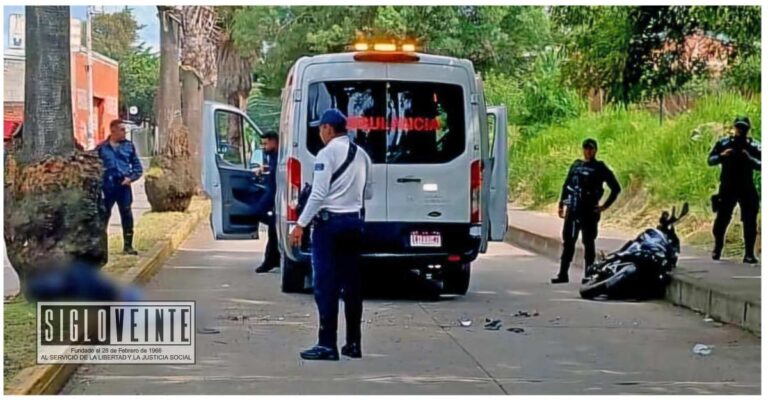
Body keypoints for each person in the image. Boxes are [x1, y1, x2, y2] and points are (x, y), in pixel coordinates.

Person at [290, 108, 372, 361]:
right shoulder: (362, 155)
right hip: (354, 223)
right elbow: (368, 192)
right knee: (352, 286)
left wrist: (300, 224)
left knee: (326, 285)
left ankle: (327, 344)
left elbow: (318, 194)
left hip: (329, 226)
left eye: (320, 128)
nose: (320, 133)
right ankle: (353, 343)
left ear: (327, 128)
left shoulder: (326, 154)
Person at [552, 138, 621, 284]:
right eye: (586, 148)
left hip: (589, 211)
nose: (588, 151)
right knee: (568, 242)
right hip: (573, 209)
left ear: (595, 150)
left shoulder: (599, 167)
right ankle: (563, 274)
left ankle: (589, 275)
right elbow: (567, 186)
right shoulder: (576, 165)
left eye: (591, 149)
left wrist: (604, 206)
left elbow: (615, 188)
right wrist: (561, 204)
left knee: (588, 243)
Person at [708, 116, 761, 264]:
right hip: (728, 187)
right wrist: (722, 156)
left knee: (750, 221)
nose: (740, 131)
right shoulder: (725, 143)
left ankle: (749, 253)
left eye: (743, 128)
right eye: (739, 127)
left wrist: (749, 158)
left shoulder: (753, 146)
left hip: (746, 186)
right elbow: (710, 160)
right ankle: (718, 247)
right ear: (735, 128)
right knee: (722, 220)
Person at [96, 119, 143, 255]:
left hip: (123, 186)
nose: (124, 132)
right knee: (103, 216)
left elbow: (137, 167)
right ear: (113, 130)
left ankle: (128, 246)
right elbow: (94, 166)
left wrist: (131, 178)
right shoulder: (101, 148)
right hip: (107, 187)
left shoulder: (128, 146)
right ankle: (100, 248)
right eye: (122, 130)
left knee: (126, 214)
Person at [254, 131, 281, 273]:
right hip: (272, 194)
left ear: (274, 142)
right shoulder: (272, 156)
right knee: (272, 229)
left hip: (276, 195)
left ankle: (271, 260)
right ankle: (272, 259)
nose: (264, 147)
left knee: (260, 213)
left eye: (266, 143)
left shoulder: (281, 155)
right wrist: (264, 169)